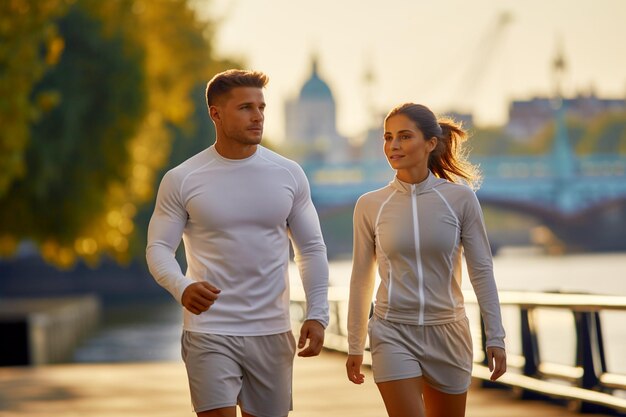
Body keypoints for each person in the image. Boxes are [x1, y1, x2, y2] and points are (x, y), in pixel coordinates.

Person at [146, 69, 329, 417]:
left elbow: (311, 249)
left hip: (272, 330)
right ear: (215, 113)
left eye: (261, 107)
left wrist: (318, 314)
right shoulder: (182, 179)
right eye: (245, 107)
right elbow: (158, 248)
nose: (257, 116)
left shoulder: (288, 174)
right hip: (209, 330)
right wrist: (182, 287)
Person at [345, 103, 507, 417]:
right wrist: (355, 343)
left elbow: (482, 271)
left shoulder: (460, 200)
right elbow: (361, 277)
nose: (393, 145)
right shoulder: (370, 205)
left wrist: (496, 336)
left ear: (430, 143)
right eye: (388, 137)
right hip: (393, 331)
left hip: (449, 332)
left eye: (404, 137)